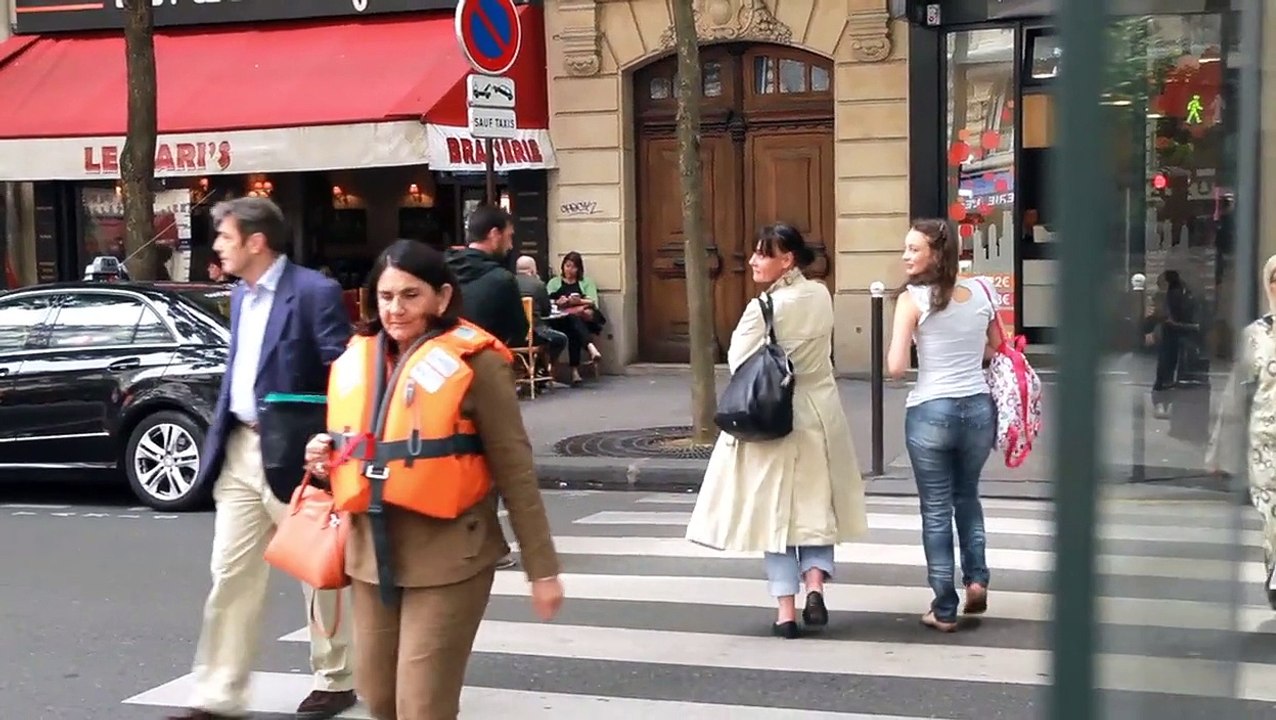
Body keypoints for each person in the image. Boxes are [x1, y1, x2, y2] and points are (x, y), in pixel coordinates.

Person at [303, 239, 565, 719]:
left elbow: (516, 469)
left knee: (422, 707)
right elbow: (356, 447)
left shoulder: (477, 363)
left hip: (450, 558)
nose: (395, 309)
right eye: (385, 297)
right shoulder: (361, 357)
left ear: (442, 298)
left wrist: (541, 569)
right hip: (370, 555)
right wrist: (322, 460)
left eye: (410, 295)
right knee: (380, 699)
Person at [168, 197, 357, 720]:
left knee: (314, 568)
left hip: (299, 452)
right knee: (229, 574)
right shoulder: (241, 294)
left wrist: (330, 444)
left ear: (257, 241)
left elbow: (342, 372)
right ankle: (219, 694)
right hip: (239, 448)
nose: (218, 247)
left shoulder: (314, 292)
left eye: (226, 237)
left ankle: (336, 678)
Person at [685, 224, 868, 639]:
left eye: (762, 254)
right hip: (820, 412)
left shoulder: (764, 307)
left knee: (776, 513)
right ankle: (816, 583)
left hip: (776, 416)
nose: (752, 261)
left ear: (786, 260)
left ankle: (786, 609)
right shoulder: (821, 295)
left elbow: (739, 362)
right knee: (817, 504)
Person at [886, 218, 998, 633]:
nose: (905, 256)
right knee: (967, 495)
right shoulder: (984, 291)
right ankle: (977, 579)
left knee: (935, 510)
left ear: (936, 253)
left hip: (931, 409)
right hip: (978, 409)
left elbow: (896, 368)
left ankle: (944, 607)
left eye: (914, 248)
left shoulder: (912, 300)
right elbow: (996, 348)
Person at [1208, 254, 1276, 609]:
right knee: (1272, 520)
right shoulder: (1254, 336)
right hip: (1264, 447)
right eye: (1275, 278)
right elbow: (1234, 394)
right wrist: (1220, 451)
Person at [444, 205, 528, 347]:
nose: (511, 246)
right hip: (481, 356)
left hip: (443, 358)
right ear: (494, 234)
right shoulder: (502, 280)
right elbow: (519, 331)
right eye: (509, 236)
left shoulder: (439, 270)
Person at [546, 251, 604, 385]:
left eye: (573, 267)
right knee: (573, 323)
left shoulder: (586, 282)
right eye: (567, 266)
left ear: (579, 269)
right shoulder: (554, 283)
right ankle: (589, 349)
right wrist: (558, 302)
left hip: (583, 320)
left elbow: (593, 301)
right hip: (559, 320)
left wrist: (577, 302)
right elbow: (547, 302)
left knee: (574, 328)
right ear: (563, 266)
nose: (570, 270)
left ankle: (575, 371)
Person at [514, 255, 568, 364]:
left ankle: (526, 367)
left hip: (511, 336)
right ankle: (546, 367)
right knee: (561, 339)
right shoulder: (538, 284)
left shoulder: (507, 283)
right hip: (534, 333)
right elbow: (546, 311)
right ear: (533, 270)